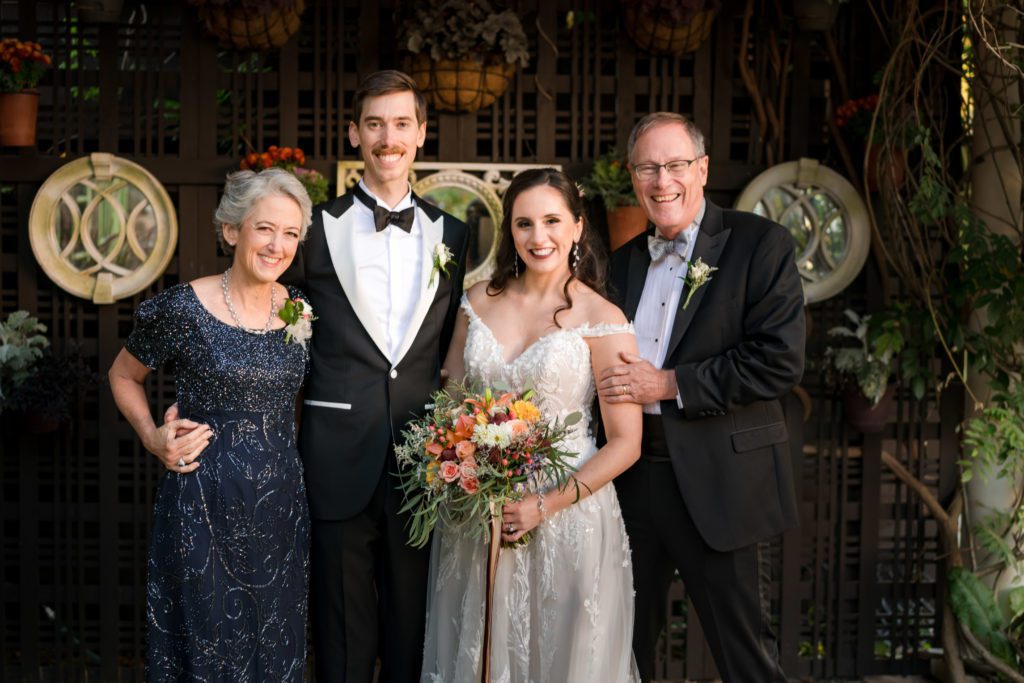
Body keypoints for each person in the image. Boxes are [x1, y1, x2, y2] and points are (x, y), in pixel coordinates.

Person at [600, 112, 805, 682]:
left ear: (703, 169)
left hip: (722, 481)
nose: (662, 181)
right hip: (632, 482)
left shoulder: (760, 245)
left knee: (746, 658)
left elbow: (778, 362)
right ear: (633, 177)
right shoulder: (620, 264)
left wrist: (669, 384)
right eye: (647, 167)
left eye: (675, 165)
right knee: (619, 650)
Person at [280, 70, 469, 683]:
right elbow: (273, 327)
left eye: (401, 124)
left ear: (420, 134)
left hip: (424, 458)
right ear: (355, 133)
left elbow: (454, 344)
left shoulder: (456, 235)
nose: (389, 137)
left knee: (414, 626)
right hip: (334, 453)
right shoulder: (311, 229)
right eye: (375, 124)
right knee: (340, 629)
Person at [421, 168, 643, 682]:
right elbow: (450, 407)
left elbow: (627, 443)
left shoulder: (602, 318)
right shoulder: (476, 303)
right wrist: (457, 465)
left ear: (577, 228)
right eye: (524, 224)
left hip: (568, 516)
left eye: (551, 221)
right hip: (479, 512)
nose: (538, 237)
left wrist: (544, 505)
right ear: (510, 232)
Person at [108, 167, 314, 681]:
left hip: (281, 514)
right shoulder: (182, 308)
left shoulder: (299, 311)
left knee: (275, 649)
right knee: (208, 648)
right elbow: (122, 375)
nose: (277, 245)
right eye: (265, 228)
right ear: (231, 230)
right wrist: (153, 437)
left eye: (290, 233)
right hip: (202, 505)